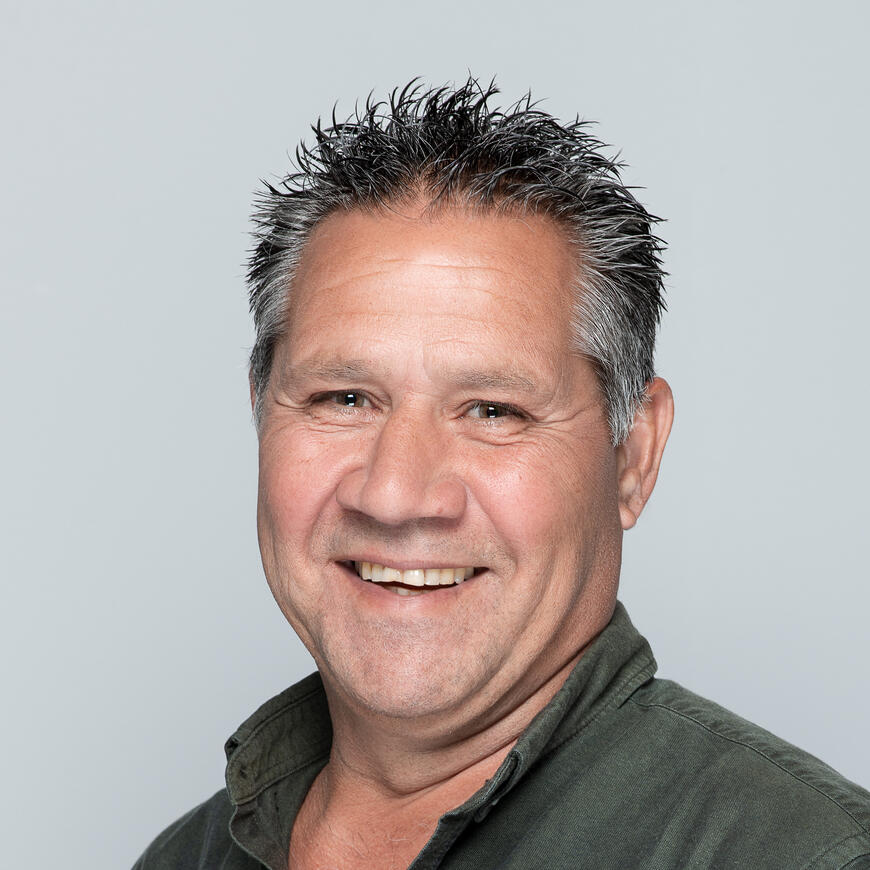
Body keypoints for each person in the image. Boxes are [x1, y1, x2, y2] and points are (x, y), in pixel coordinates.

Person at [133, 79, 870, 869]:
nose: (394, 495)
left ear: (633, 455)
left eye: (493, 411)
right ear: (261, 412)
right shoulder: (185, 858)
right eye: (344, 399)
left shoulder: (801, 857)